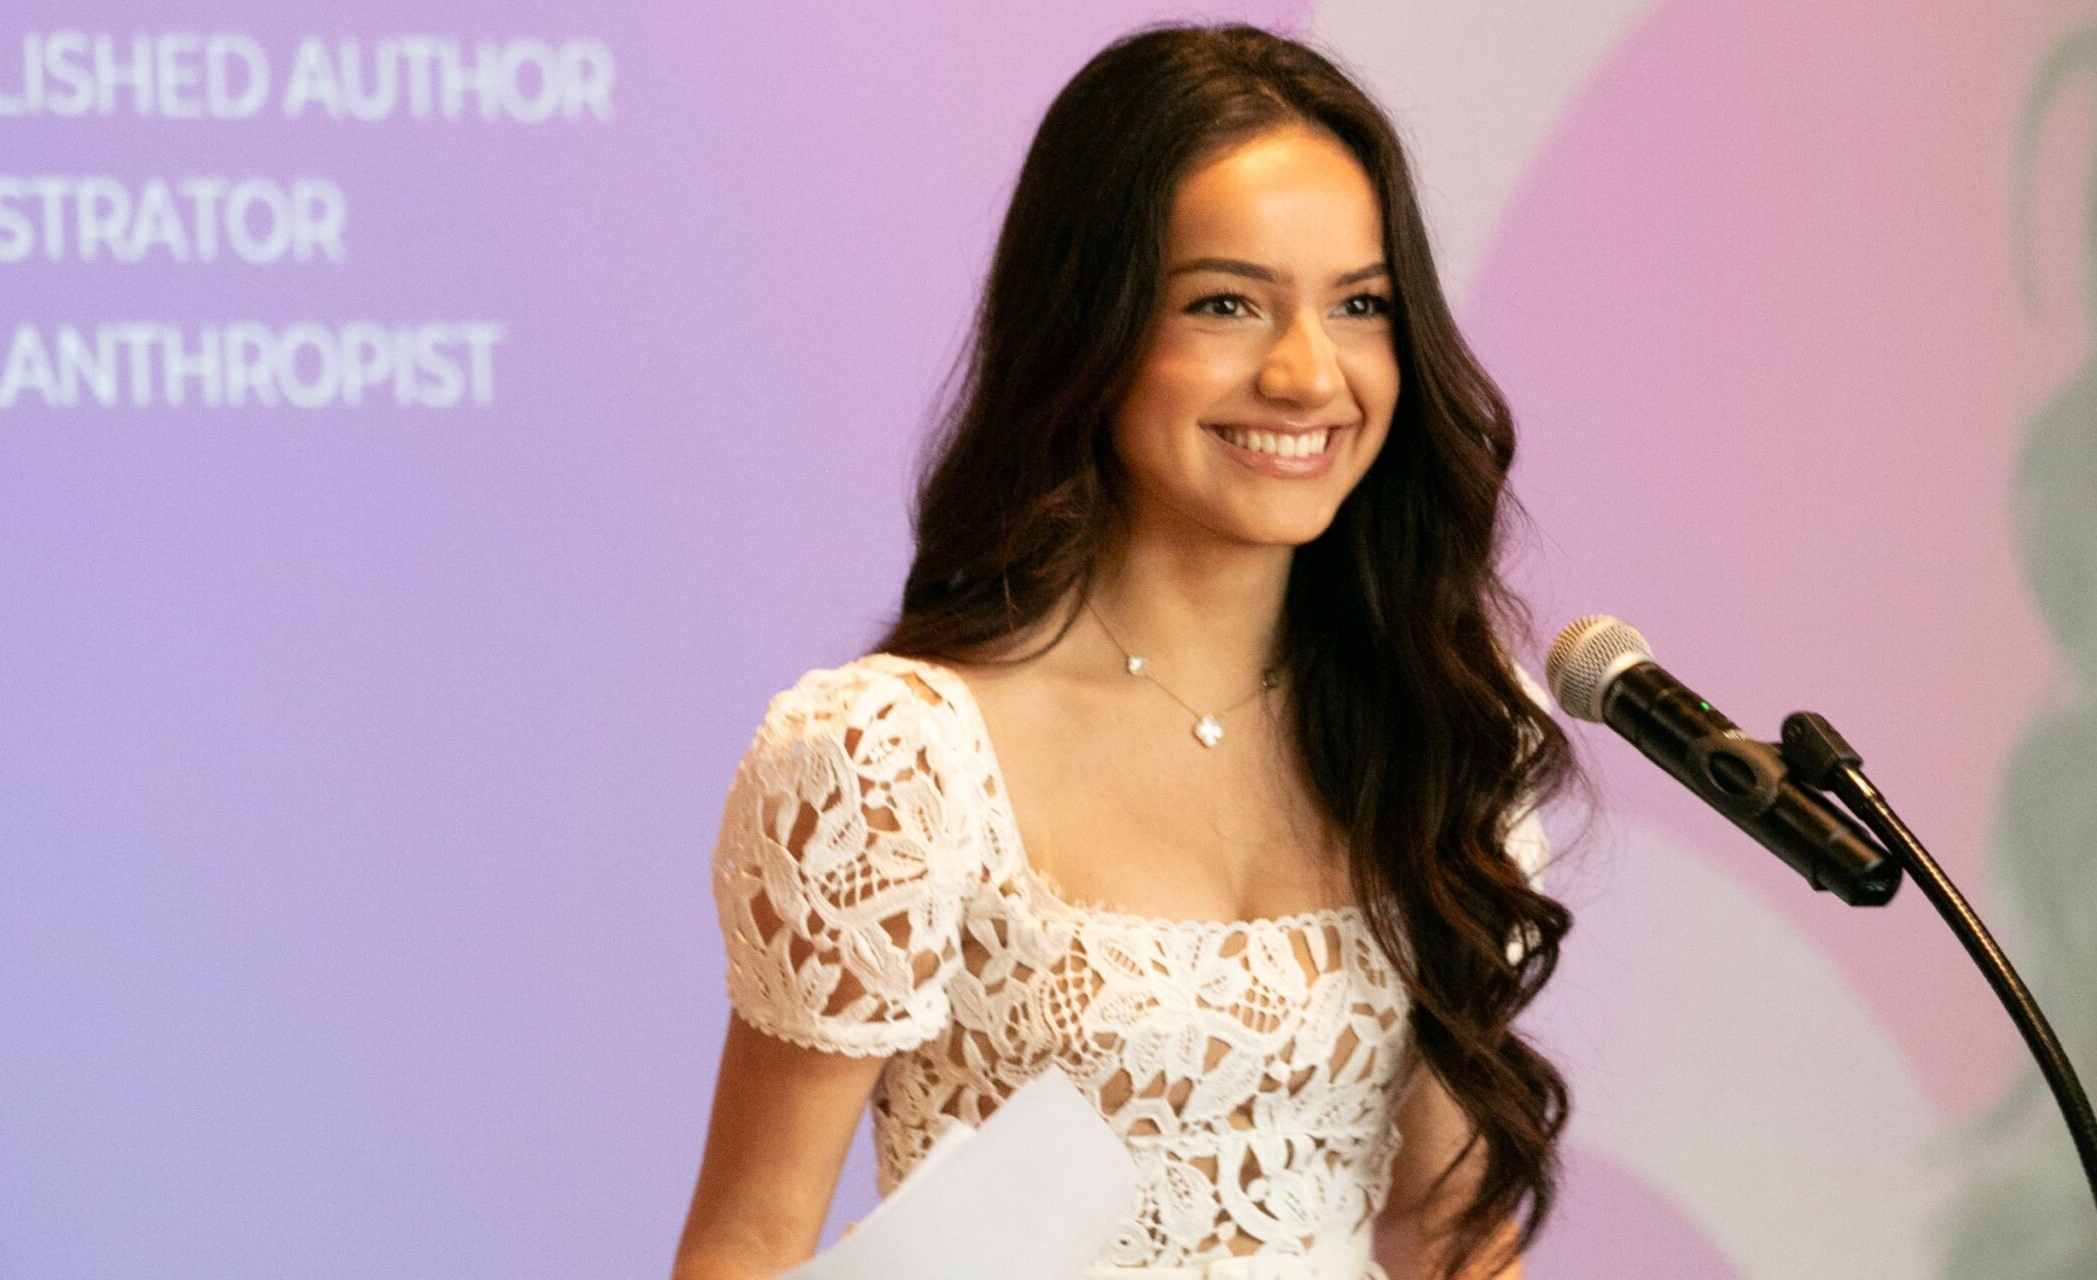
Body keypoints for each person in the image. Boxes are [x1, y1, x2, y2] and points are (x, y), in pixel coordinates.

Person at [671, 22, 1574, 1280]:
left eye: (1359, 305)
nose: (1306, 373)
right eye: (1225, 304)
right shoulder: (890, 757)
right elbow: (749, 1241)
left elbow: (1446, 1231)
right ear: (1087, 327)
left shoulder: (1443, 719)